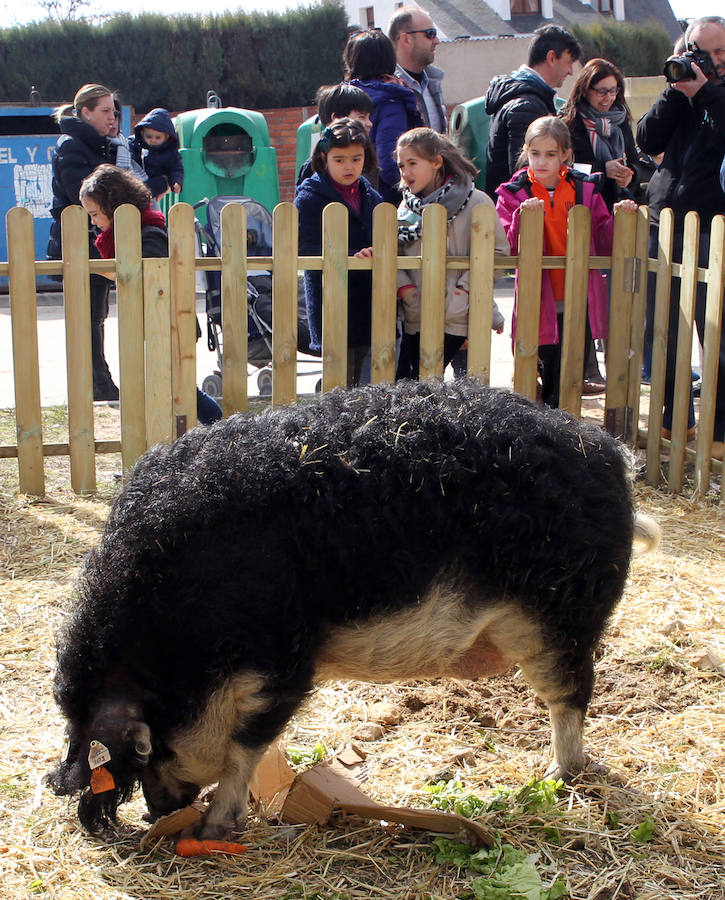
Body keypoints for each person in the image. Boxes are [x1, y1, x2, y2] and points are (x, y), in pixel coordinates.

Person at [495, 117, 637, 408]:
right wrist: (522, 218)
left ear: (565, 155)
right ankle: (546, 430)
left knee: (568, 373)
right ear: (526, 152)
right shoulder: (512, 192)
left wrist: (621, 216)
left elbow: (603, 239)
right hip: (538, 296)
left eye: (550, 154)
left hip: (578, 296)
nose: (542, 161)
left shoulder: (584, 188)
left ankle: (563, 432)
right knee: (539, 367)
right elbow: (508, 248)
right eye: (535, 153)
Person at [637, 15, 725, 460]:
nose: (712, 61)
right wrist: (676, 91)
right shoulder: (683, 90)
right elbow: (646, 137)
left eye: (721, 52)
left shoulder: (716, 94)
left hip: (716, 228)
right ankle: (675, 422)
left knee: (718, 335)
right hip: (665, 223)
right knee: (666, 331)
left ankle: (721, 432)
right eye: (703, 52)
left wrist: (705, 91)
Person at [78, 164, 222, 426]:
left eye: (95, 214)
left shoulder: (149, 234)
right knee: (171, 388)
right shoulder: (133, 234)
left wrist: (118, 274)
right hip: (157, 324)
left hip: (171, 323)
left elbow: (154, 280)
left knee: (181, 389)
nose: (94, 222)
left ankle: (220, 427)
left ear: (113, 206)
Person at [395, 127, 509, 380]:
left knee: (466, 392)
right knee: (416, 384)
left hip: (463, 314)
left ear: (436, 162)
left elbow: (497, 254)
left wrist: (465, 292)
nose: (405, 172)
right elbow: (394, 254)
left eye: (413, 163)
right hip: (418, 314)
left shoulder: (476, 202)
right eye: (402, 165)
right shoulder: (406, 207)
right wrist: (406, 290)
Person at [294, 119, 382, 387]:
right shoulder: (310, 197)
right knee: (338, 375)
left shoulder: (371, 196)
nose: (349, 166)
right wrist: (352, 255)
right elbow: (305, 247)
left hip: (368, 298)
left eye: (356, 159)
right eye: (339, 159)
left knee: (364, 373)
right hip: (330, 296)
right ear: (324, 158)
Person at [48, 83, 118, 401]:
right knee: (89, 317)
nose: (111, 117)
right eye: (104, 111)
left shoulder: (95, 145)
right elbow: (82, 195)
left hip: (93, 243)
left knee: (96, 315)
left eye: (113, 111)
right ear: (85, 112)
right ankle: (97, 384)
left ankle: (100, 382)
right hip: (80, 245)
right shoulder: (73, 147)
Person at [485, 25, 582, 199]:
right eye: (569, 62)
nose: (571, 71)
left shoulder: (523, 97)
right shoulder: (527, 105)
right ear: (551, 57)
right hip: (523, 214)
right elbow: (526, 174)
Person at [345, 28, 423, 204]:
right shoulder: (391, 100)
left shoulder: (343, 98)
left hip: (349, 195)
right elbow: (391, 162)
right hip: (383, 200)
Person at [559, 58, 644, 210]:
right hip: (582, 208)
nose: (609, 98)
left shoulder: (620, 119)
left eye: (613, 90)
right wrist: (603, 169)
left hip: (619, 207)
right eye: (601, 91)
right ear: (585, 90)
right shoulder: (568, 123)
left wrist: (629, 174)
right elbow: (564, 168)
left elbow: (635, 162)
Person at [296, 82, 376, 189]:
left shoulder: (366, 159)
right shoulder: (313, 170)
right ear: (337, 118)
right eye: (362, 117)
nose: (369, 123)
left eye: (356, 160)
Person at [388, 6, 446, 134]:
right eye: (430, 34)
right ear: (406, 39)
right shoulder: (386, 89)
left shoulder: (432, 81)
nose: (436, 41)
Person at [130, 108, 184, 202]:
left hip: (156, 185)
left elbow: (176, 168)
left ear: (166, 137)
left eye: (158, 137)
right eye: (149, 136)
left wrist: (176, 182)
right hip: (140, 181)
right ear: (142, 133)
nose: (153, 140)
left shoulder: (170, 152)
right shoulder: (136, 145)